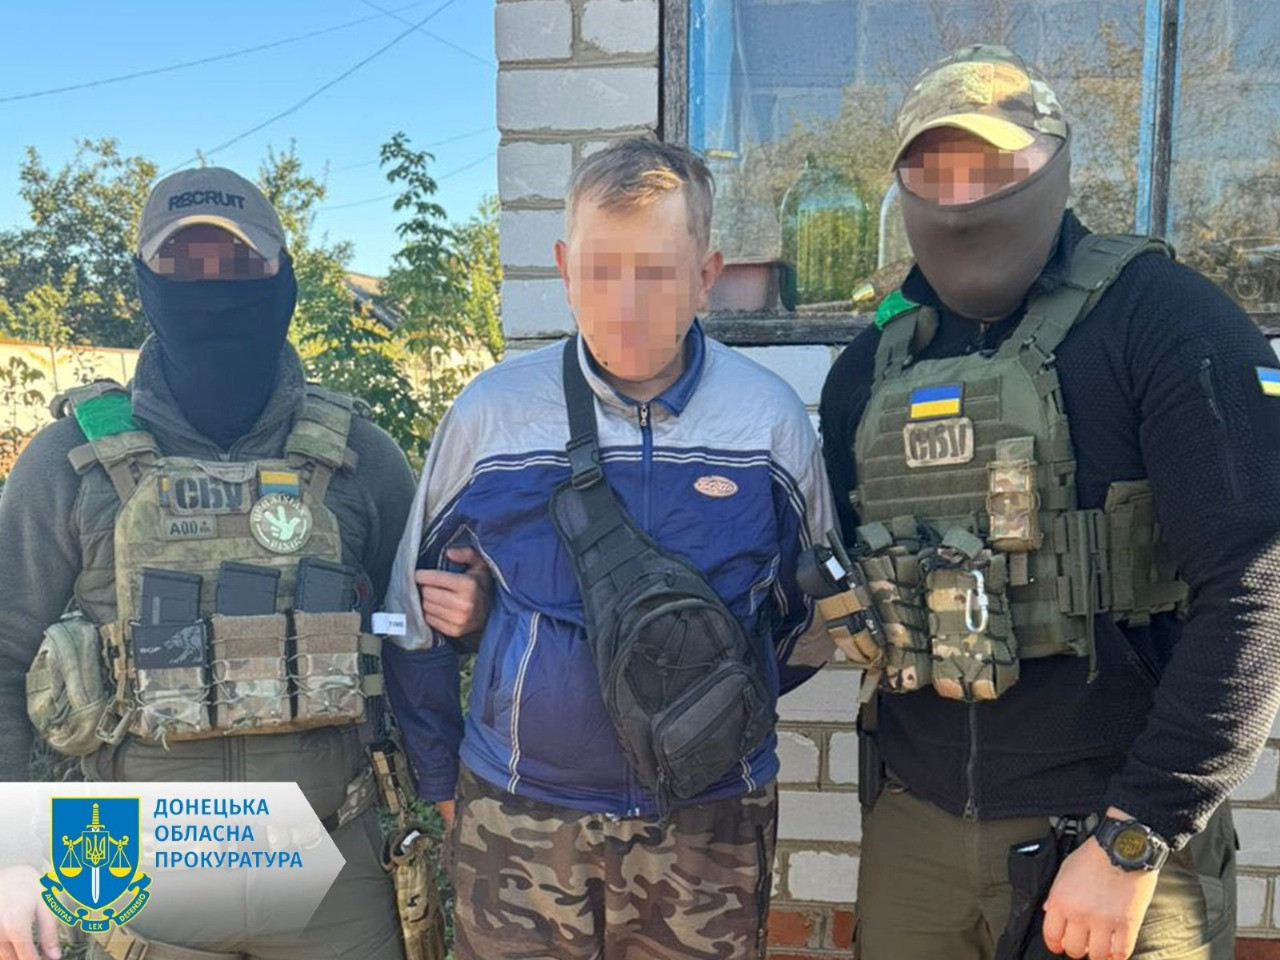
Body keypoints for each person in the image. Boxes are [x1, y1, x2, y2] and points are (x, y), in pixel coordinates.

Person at [816, 44, 1280, 960]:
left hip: (1115, 844)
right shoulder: (867, 369)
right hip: (916, 835)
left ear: (1055, 165)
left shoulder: (1168, 321)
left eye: (994, 162)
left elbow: (1255, 587)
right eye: (935, 168)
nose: (963, 193)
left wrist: (1138, 832)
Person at [382, 136, 840, 960]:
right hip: (518, 818)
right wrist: (441, 778)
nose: (625, 301)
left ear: (706, 275)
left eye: (656, 272)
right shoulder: (491, 416)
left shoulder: (769, 421)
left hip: (709, 824)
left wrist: (709, 708)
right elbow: (409, 611)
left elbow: (810, 620)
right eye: (599, 270)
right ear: (564, 269)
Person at [0, 167, 426, 960]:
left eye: (237, 264)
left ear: (283, 278)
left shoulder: (361, 458)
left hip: (328, 860)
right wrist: (11, 856)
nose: (212, 288)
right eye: (184, 265)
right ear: (144, 282)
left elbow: (412, 635)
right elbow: (3, 651)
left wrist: (459, 618)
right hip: (129, 869)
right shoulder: (68, 460)